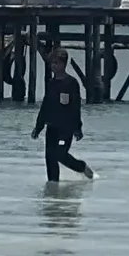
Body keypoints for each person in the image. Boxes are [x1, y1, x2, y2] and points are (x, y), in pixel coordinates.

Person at [32, 46, 93, 181]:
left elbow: (75, 107)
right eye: (52, 63)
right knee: (50, 158)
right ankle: (53, 188)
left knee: (60, 154)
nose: (53, 66)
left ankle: (82, 167)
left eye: (56, 63)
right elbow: (45, 106)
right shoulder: (51, 83)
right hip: (51, 127)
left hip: (66, 128)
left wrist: (77, 128)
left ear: (63, 64)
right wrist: (38, 127)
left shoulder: (71, 83)